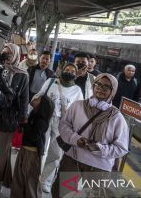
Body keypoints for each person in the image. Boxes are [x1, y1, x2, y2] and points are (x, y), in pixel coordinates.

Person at [54, 73, 129, 197]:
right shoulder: (77, 106)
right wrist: (76, 140)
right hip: (72, 162)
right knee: (62, 194)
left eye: (106, 87)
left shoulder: (117, 117)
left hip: (98, 169)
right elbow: (64, 126)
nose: (100, 88)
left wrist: (100, 148)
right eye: (98, 84)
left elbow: (121, 148)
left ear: (113, 91)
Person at [29, 63, 83, 197]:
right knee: (38, 148)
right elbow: (38, 96)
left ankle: (45, 181)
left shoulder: (77, 90)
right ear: (62, 70)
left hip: (63, 124)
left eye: (72, 71)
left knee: (56, 153)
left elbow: (79, 110)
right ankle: (33, 175)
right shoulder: (51, 81)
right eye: (67, 69)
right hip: (45, 119)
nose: (69, 72)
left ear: (75, 75)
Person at [0, 43, 29, 194]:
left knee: (1, 154)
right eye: (4, 52)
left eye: (9, 53)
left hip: (7, 119)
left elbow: (24, 99)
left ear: (15, 55)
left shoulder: (22, 75)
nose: (6, 56)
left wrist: (22, 120)